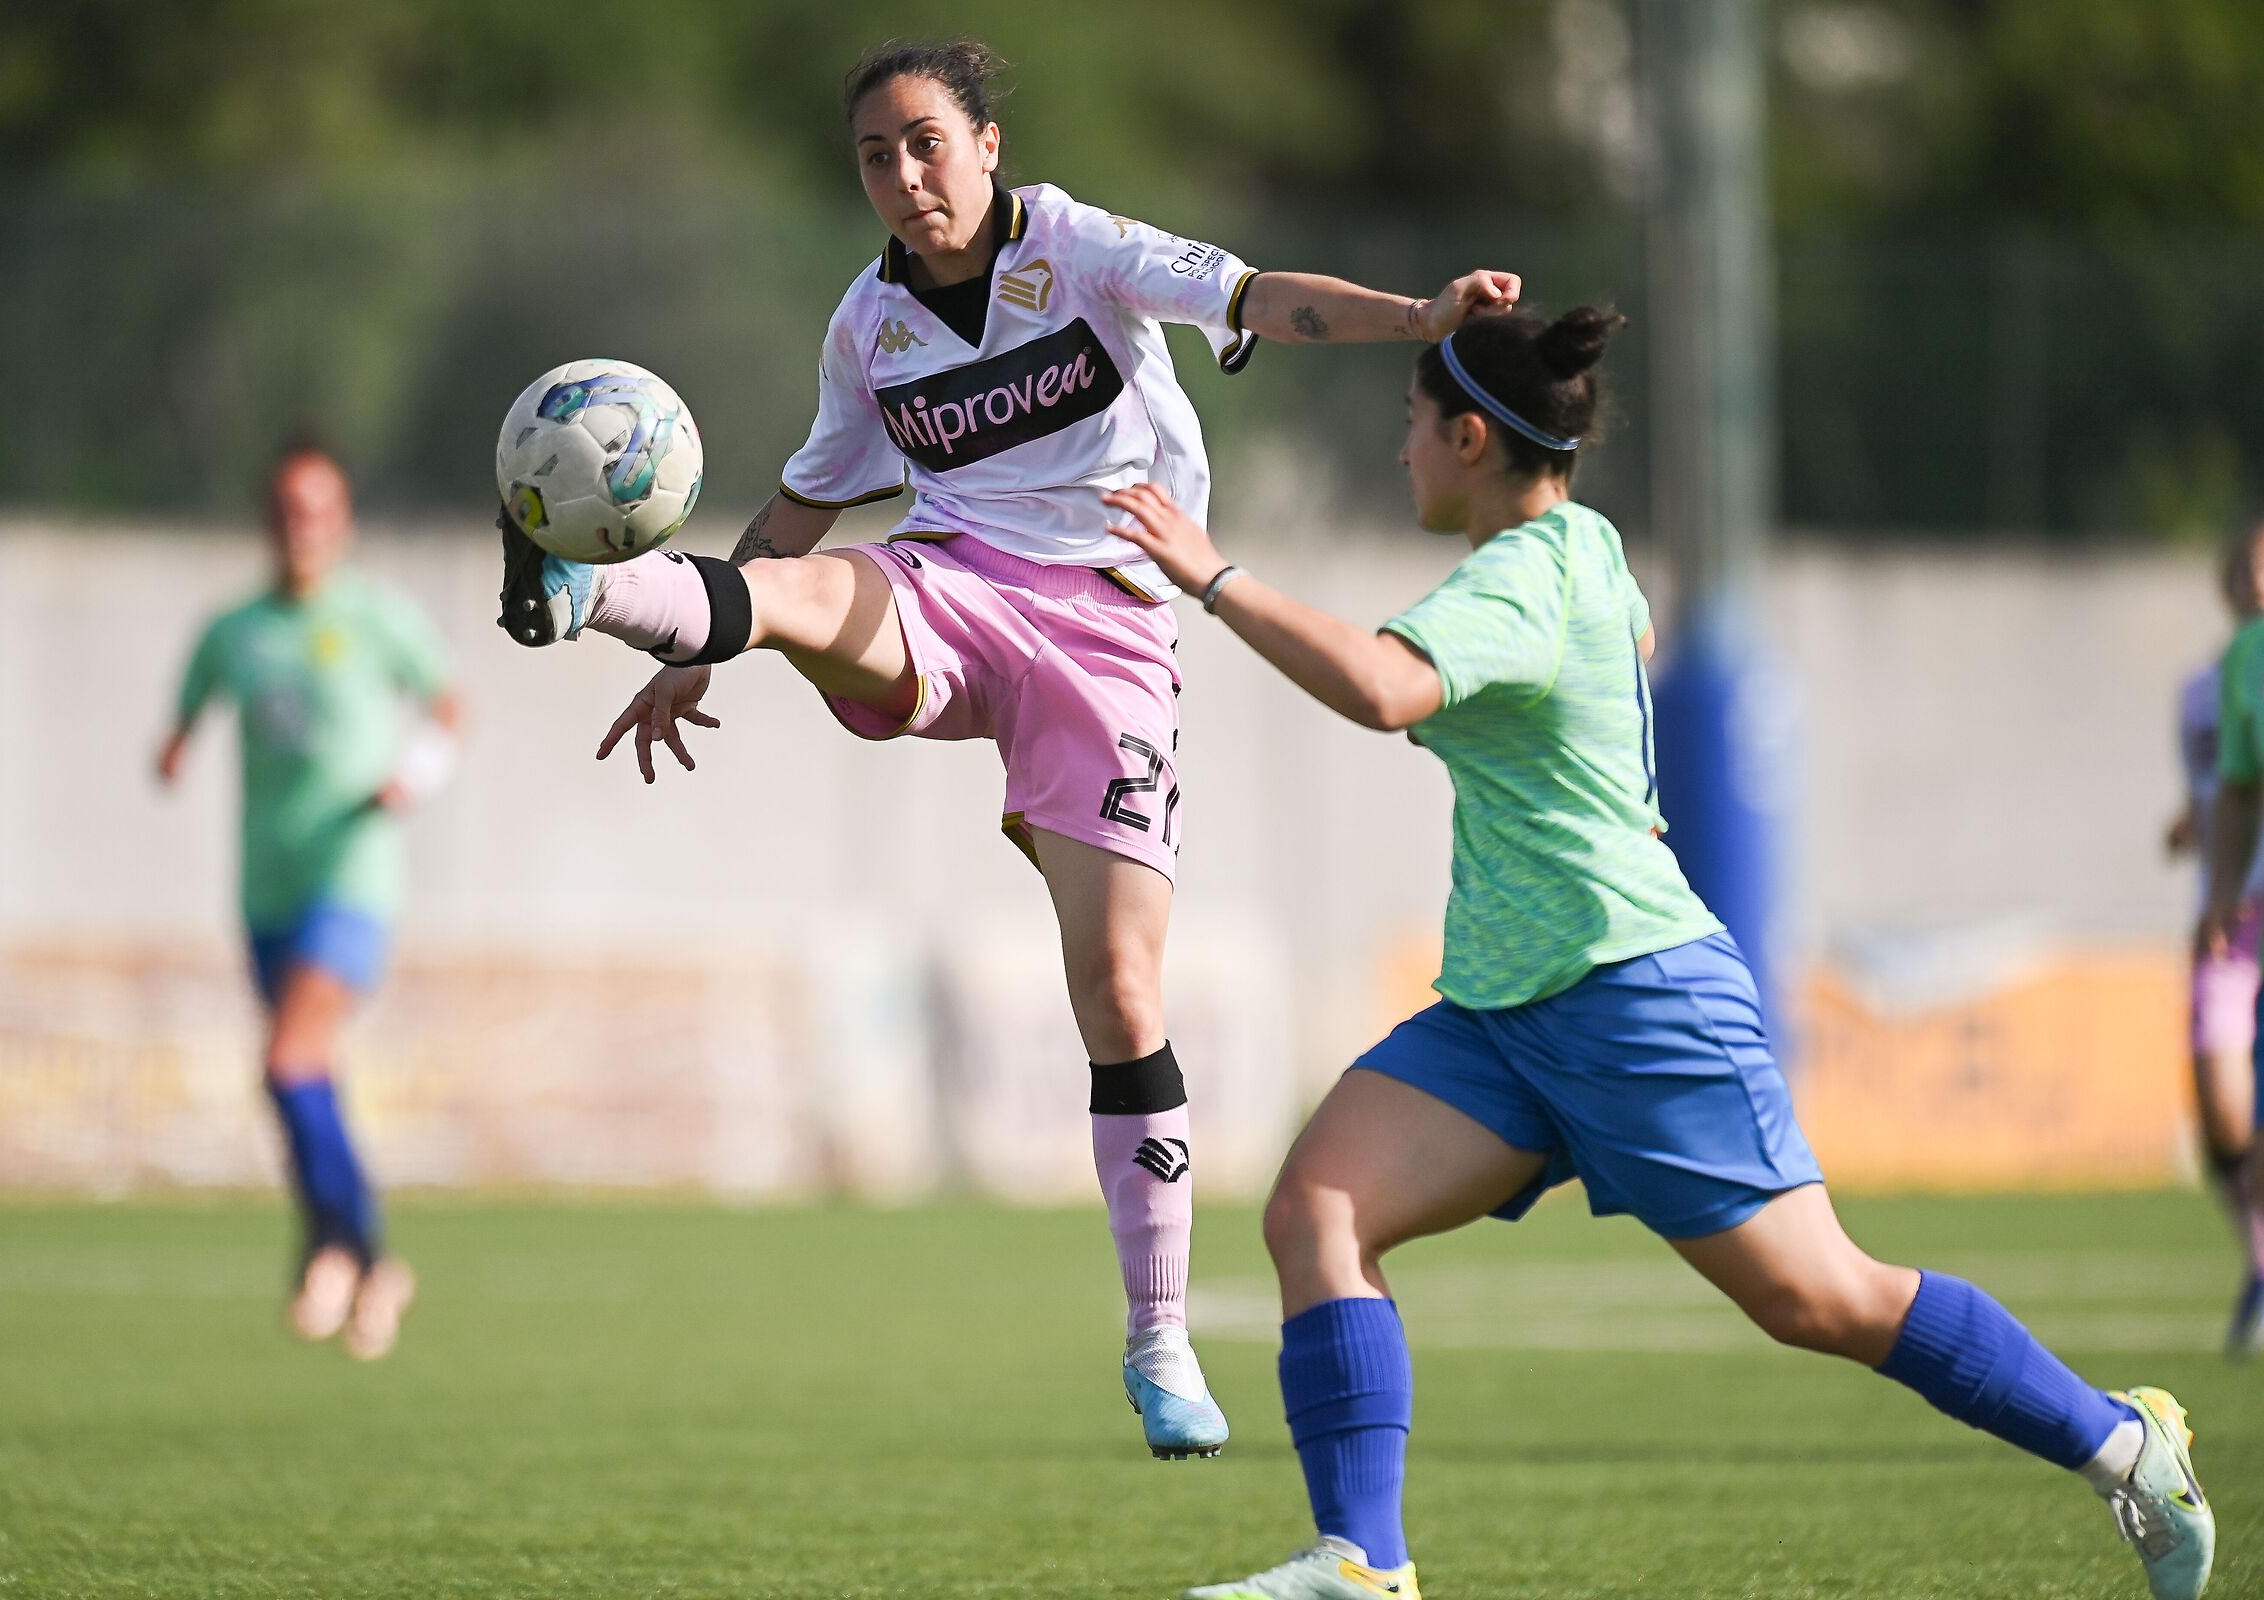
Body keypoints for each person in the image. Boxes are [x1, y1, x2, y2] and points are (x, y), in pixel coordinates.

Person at [494, 38, 1520, 1459]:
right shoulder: (867, 327)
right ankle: (576, 590)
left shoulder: (1080, 249)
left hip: (1109, 632)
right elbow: (799, 510)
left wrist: (1419, 315)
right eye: (874, 156)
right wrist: (693, 639)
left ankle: (1159, 1336)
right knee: (800, 597)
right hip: (955, 588)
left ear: (985, 144)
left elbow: (1254, 298)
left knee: (1117, 983)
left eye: (925, 142)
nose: (905, 177)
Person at [1099, 306, 2215, 1600]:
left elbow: (1383, 689)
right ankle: (1364, 1565)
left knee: (1823, 1300)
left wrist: (1212, 574)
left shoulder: (1523, 573)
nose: (1401, 450)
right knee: (1319, 1210)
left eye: (1413, 425)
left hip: (1635, 994)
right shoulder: (1587, 546)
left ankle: (2126, 1446)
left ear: (1470, 437)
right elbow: (1595, 643)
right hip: (1509, 1010)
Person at [160, 442, 464, 1361]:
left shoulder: (377, 619)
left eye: (320, 507)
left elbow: (449, 707)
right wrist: (172, 748)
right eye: (289, 508)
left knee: (288, 1062)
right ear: (268, 521)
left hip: (352, 881)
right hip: (266, 888)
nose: (305, 525)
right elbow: (190, 712)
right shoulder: (236, 631)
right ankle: (363, 1261)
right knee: (309, 1080)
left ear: (345, 520)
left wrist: (414, 773)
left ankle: (339, 1249)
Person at [2173, 519, 2264, 1355]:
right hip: (2235, 912)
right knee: (2225, 1118)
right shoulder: (2222, 676)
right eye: (2240, 562)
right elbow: (2228, 786)